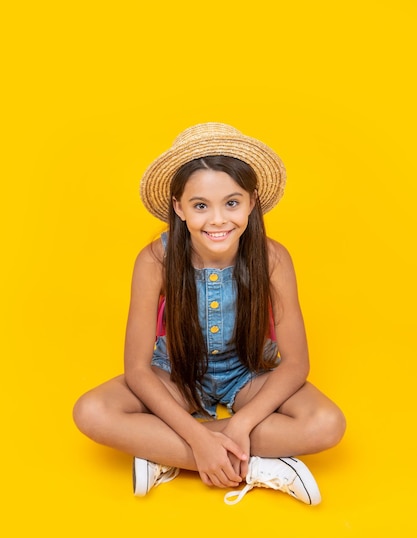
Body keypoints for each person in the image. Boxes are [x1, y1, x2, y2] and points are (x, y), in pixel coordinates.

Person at [73, 122, 346, 506]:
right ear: (179, 208)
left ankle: (164, 454)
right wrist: (199, 439)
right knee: (91, 411)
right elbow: (136, 368)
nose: (218, 220)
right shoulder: (154, 260)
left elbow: (297, 362)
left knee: (327, 424)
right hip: (176, 373)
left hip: (249, 374)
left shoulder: (273, 258)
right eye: (201, 206)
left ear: (252, 202)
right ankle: (253, 465)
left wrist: (241, 425)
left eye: (231, 203)